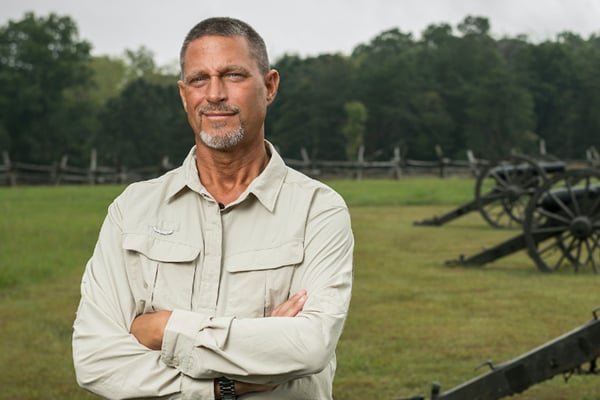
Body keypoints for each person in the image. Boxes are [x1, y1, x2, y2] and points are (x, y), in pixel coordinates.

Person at [72, 16, 354, 400]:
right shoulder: (132, 210)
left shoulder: (317, 210)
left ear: (269, 86)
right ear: (183, 93)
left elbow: (310, 345)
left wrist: (164, 328)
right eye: (199, 79)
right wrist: (225, 386)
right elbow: (95, 360)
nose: (215, 94)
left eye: (233, 75)